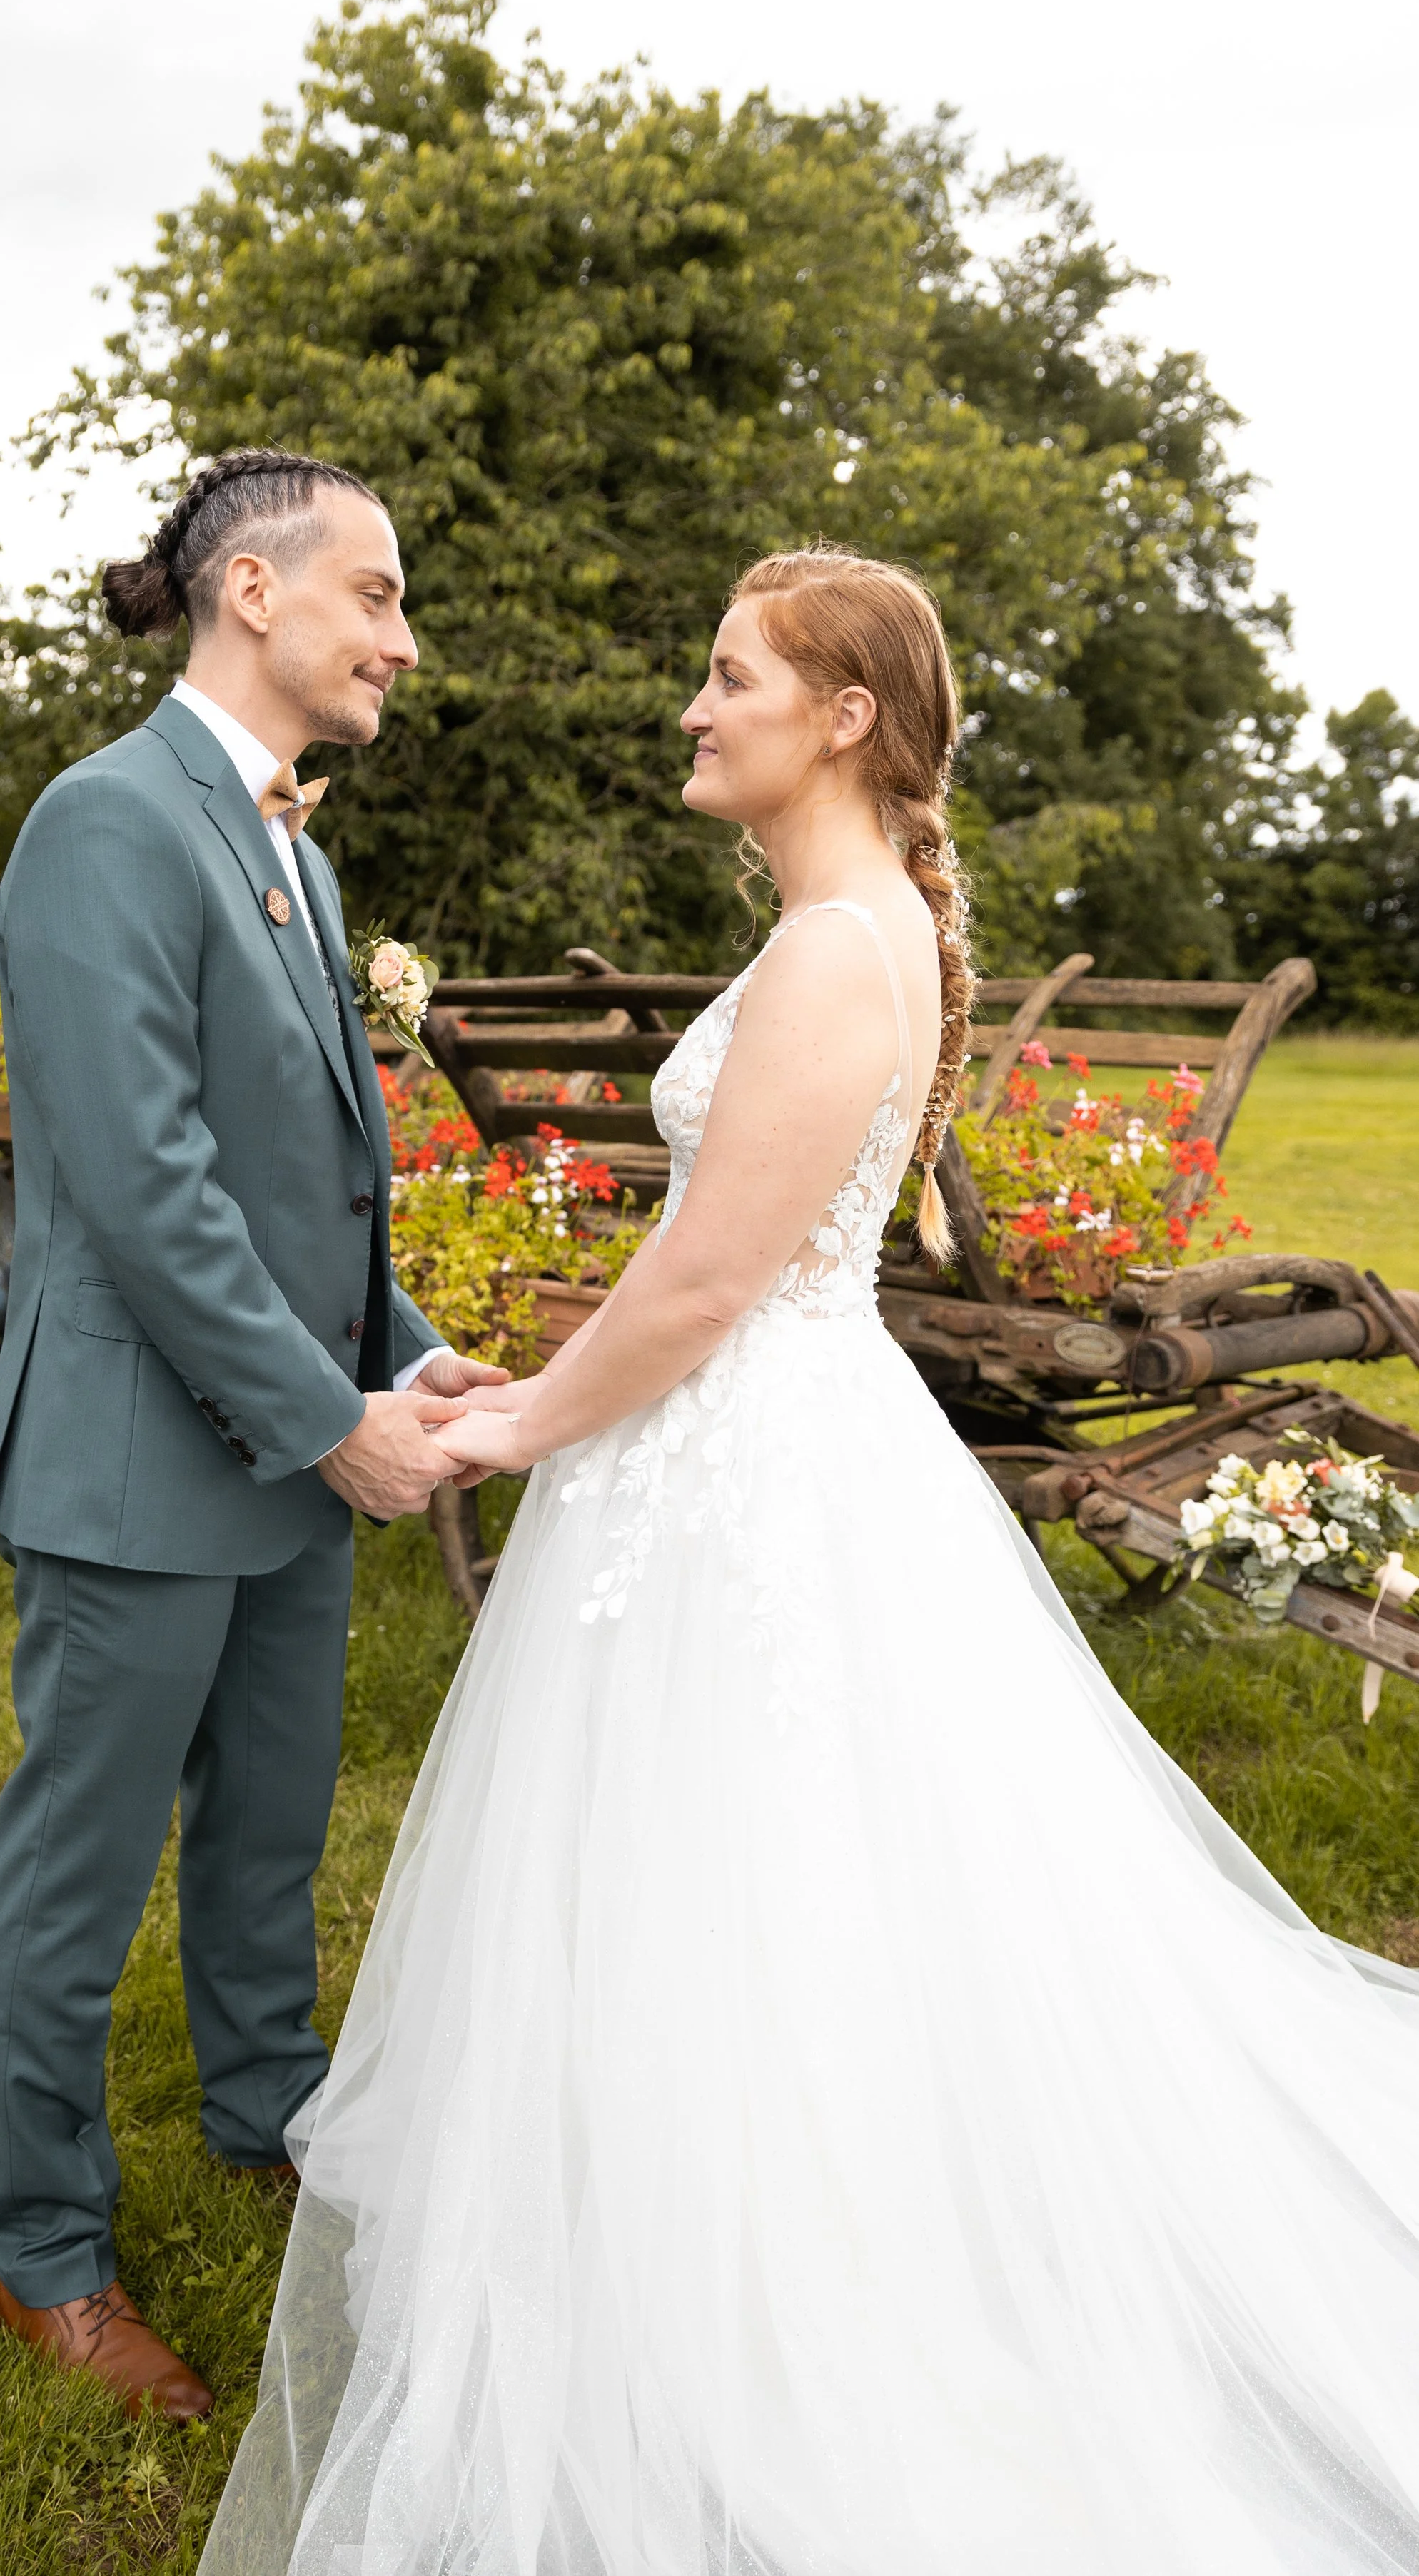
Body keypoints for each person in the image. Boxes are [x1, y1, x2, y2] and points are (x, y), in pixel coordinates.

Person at [204, 544, 1419, 2572]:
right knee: (715, 1858)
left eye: (728, 672)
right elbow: (704, 1282)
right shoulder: (837, 937)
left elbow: (705, 1282)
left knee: (758, 1855)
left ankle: (783, 2274)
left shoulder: (839, 951)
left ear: (841, 717)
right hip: (735, 1449)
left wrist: (506, 1421)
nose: (695, 705)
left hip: (752, 1462)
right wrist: (563, 1382)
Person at [0, 450, 503, 2422]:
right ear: (253, 591)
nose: (400, 633)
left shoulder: (297, 841)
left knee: (269, 1832)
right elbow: (146, 1184)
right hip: (137, 1461)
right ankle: (46, 2252)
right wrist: (329, 1425)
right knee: (77, 1866)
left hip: (290, 1449)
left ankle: (265, 2113)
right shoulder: (107, 825)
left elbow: (311, 1187)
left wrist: (410, 1362)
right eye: (375, 591)